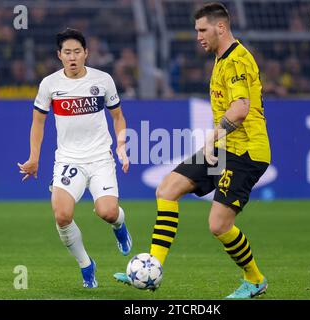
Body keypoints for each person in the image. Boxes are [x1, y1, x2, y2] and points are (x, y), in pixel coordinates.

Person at [114, 3, 271, 299]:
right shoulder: (221, 59)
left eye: (202, 29)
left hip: (246, 152)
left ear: (220, 27)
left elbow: (240, 109)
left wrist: (213, 137)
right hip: (224, 148)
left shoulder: (237, 60)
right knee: (167, 189)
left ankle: (255, 279)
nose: (198, 36)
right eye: (196, 30)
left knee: (218, 225)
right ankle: (153, 268)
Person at [18, 28, 132, 289]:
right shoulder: (50, 84)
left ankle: (119, 226)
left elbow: (118, 117)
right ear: (59, 55)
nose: (72, 57)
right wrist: (34, 157)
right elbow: (38, 123)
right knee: (62, 215)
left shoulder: (103, 80)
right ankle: (86, 265)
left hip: (100, 157)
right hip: (69, 160)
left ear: (86, 53)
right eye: (67, 52)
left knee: (107, 212)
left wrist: (122, 145)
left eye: (77, 52)